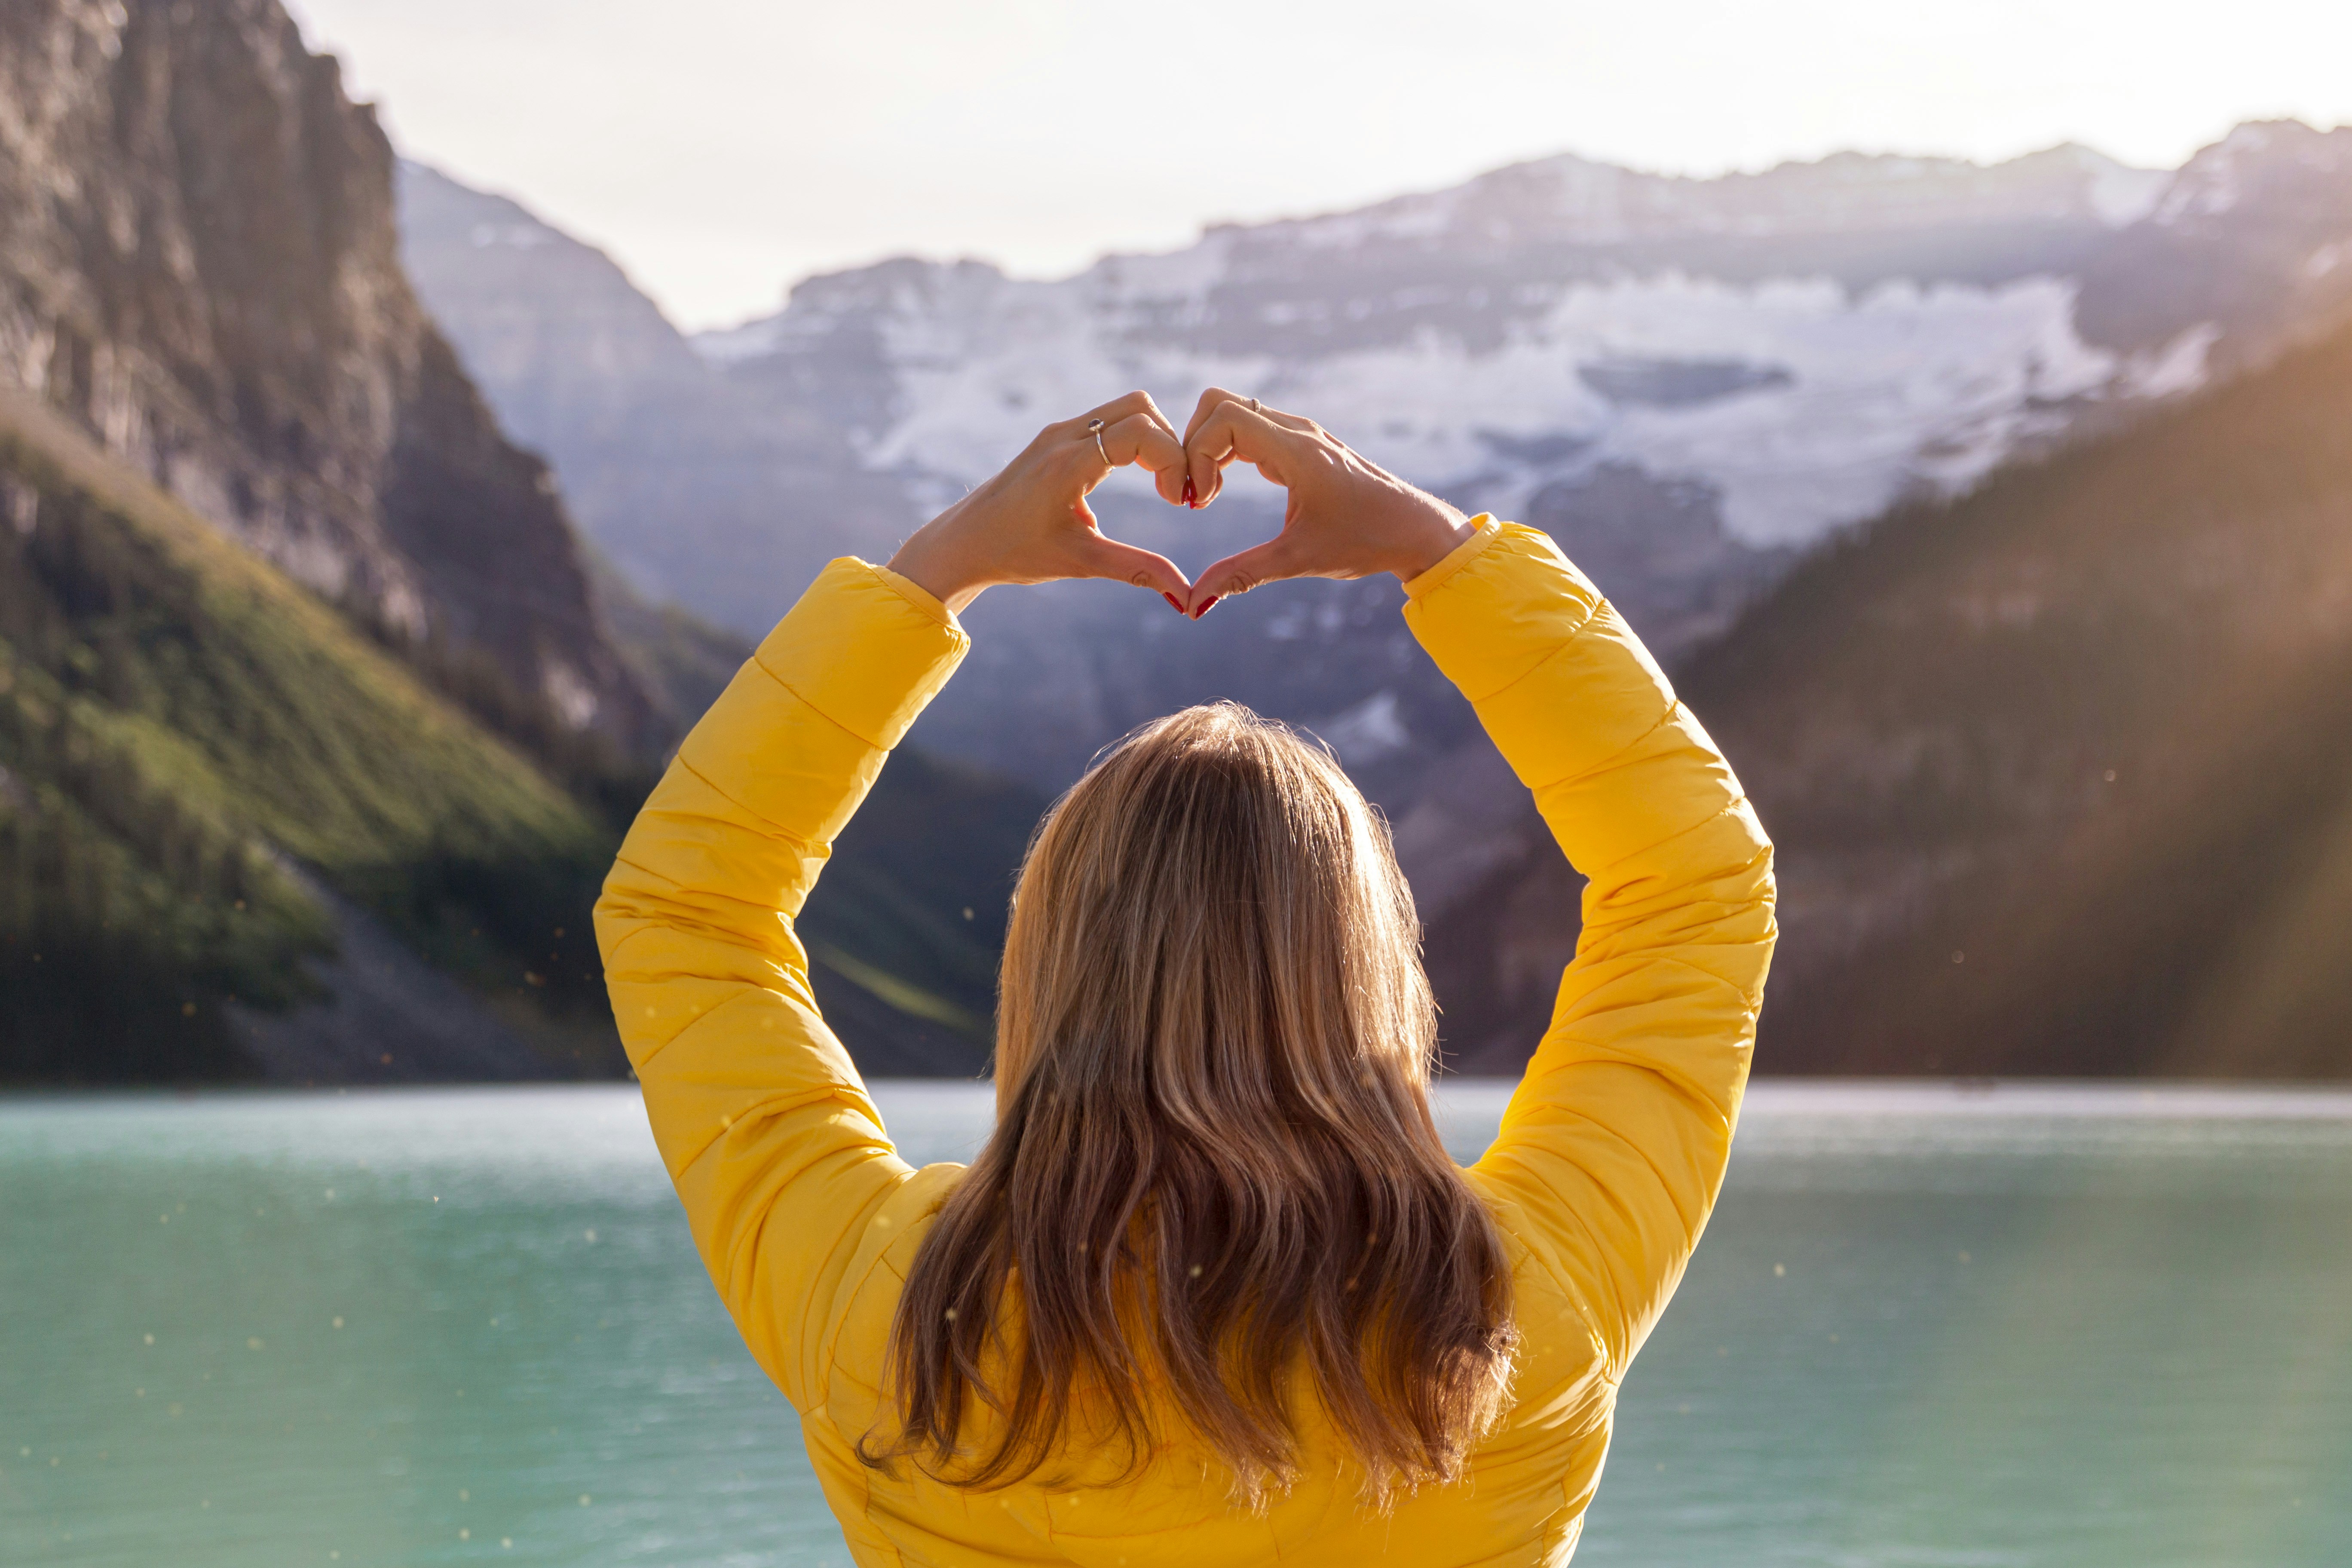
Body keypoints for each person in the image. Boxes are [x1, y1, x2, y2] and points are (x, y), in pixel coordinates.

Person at [594, 388, 1776, 1565]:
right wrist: (1443, 554)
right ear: (1371, 972)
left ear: (1052, 964)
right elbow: (1696, 885)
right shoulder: (1524, 1314)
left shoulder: (886, 1310)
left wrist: (938, 572)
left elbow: (687, 915)